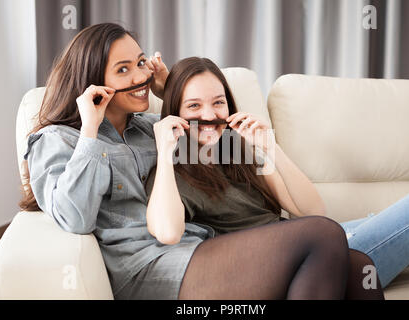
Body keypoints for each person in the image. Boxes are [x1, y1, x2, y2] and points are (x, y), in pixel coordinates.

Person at [19, 23, 383, 300]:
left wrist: (167, 88)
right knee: (323, 234)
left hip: (199, 248)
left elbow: (200, 123)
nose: (140, 75)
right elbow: (75, 218)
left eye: (141, 63)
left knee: (358, 268)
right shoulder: (56, 140)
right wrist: (90, 132)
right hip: (145, 270)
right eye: (124, 69)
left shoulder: (148, 126)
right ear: (93, 81)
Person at [139, 56, 384, 300]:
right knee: (326, 233)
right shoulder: (174, 172)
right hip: (253, 268)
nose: (209, 115)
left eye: (218, 103)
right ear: (176, 113)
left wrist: (270, 147)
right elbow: (167, 232)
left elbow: (312, 210)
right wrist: (165, 152)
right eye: (194, 106)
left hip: (293, 253)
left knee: (361, 267)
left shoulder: (238, 152)